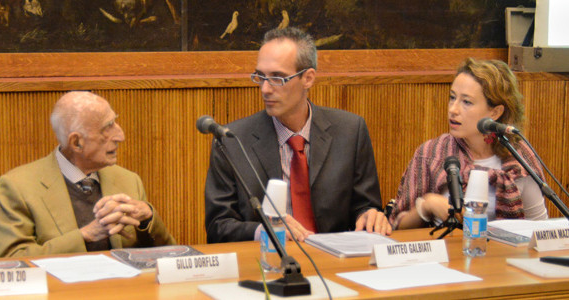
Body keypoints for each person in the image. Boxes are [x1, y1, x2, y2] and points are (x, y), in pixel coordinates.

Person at [204, 27, 391, 244]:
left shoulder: (350, 131)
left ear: (308, 78)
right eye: (260, 77)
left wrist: (369, 215)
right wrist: (264, 231)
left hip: (334, 261)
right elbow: (218, 226)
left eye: (277, 78)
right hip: (269, 263)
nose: (265, 89)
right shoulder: (232, 141)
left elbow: (364, 205)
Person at [0, 91, 175, 257]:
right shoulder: (18, 186)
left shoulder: (128, 180)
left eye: (115, 121)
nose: (120, 136)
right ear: (77, 143)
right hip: (61, 292)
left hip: (124, 290)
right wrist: (85, 235)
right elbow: (12, 259)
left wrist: (148, 219)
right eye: (107, 127)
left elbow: (168, 256)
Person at [390, 58, 548, 229]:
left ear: (495, 112)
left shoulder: (519, 157)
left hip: (503, 254)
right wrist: (426, 205)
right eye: (452, 98)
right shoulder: (432, 153)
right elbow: (398, 229)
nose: (453, 109)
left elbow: (539, 229)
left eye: (466, 102)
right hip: (445, 252)